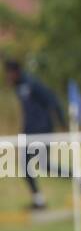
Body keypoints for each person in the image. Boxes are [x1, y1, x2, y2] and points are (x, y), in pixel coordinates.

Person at [5, 60, 67, 210]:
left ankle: (40, 200)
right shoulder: (18, 86)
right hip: (29, 131)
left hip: (42, 129)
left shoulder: (32, 83)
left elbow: (52, 100)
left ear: (16, 72)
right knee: (32, 166)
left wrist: (62, 123)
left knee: (37, 164)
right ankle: (39, 200)